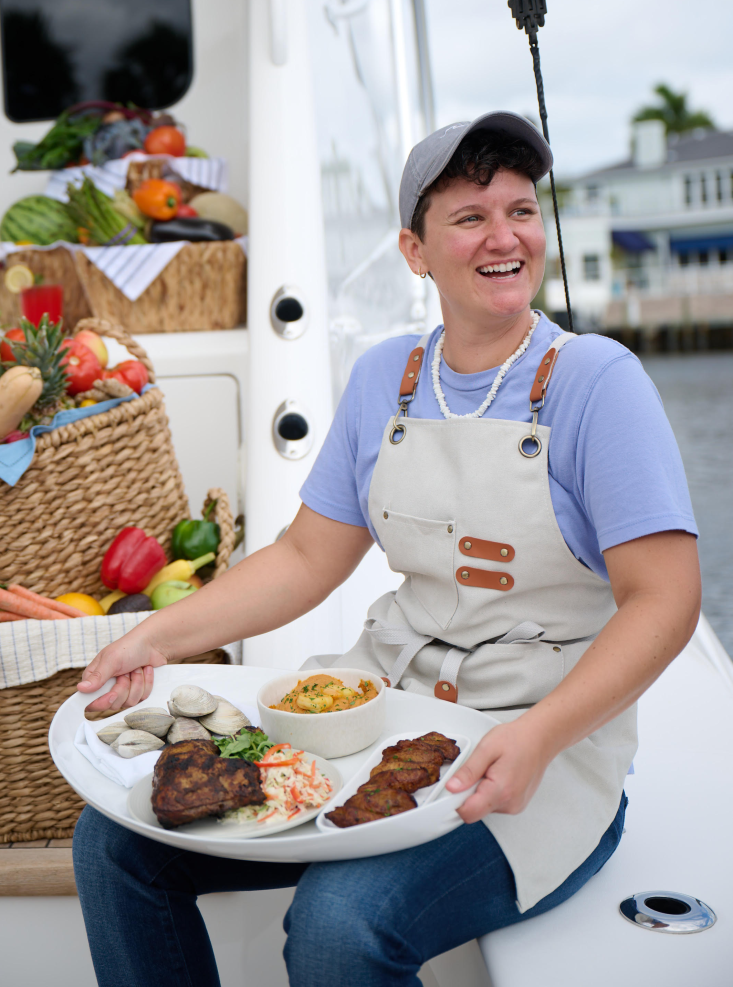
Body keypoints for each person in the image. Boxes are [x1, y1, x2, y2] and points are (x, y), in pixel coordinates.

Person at [72, 112, 700, 987]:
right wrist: (156, 636)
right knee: (115, 843)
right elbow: (303, 559)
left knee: (338, 926)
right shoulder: (384, 378)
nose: (504, 236)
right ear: (416, 250)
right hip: (381, 723)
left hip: (540, 753)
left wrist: (538, 739)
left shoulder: (598, 382)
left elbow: (665, 601)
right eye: (470, 217)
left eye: (520, 210)